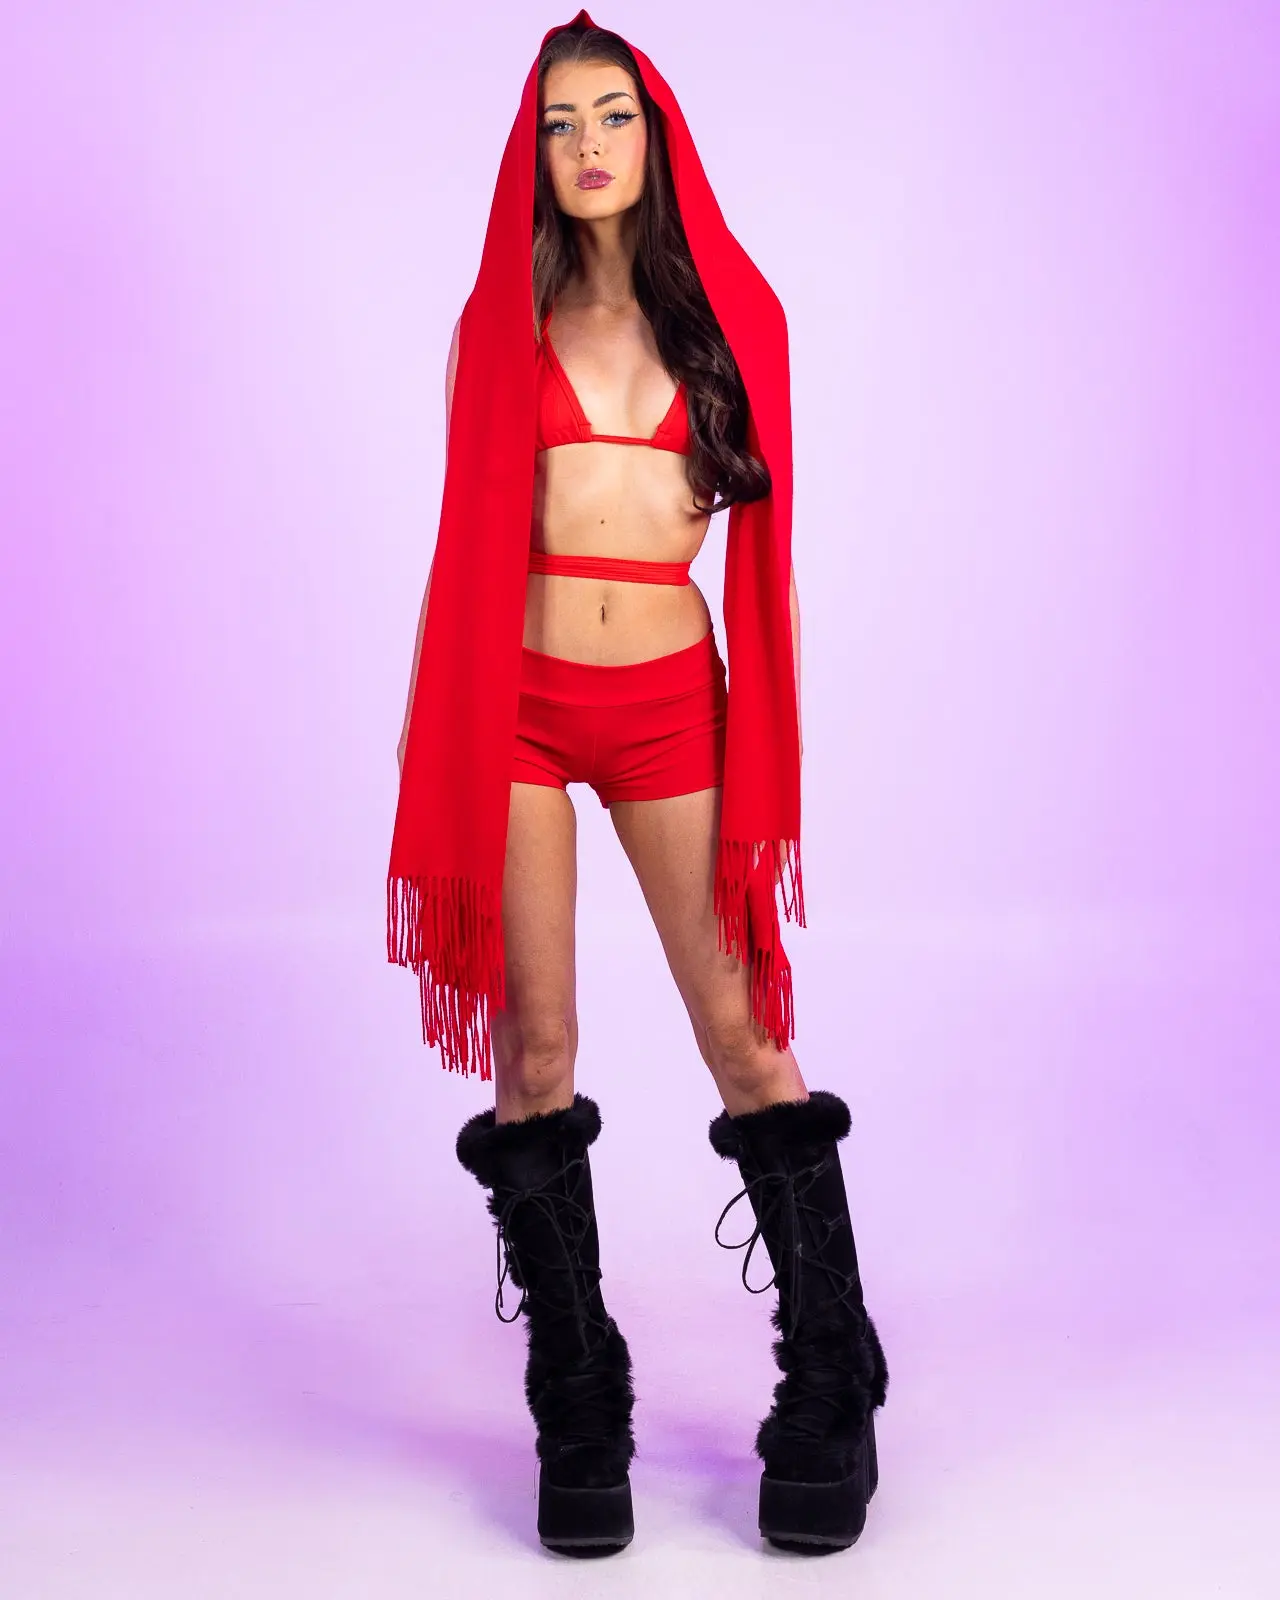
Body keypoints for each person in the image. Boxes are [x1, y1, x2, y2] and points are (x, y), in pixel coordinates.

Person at [387, 11, 888, 1558]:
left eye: (611, 116)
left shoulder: (735, 320)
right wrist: (436, 737)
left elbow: (770, 556)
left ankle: (834, 1374)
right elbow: (463, 549)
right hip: (517, 713)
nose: (587, 144)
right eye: (560, 125)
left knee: (744, 1038)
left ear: (654, 139)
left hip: (673, 711)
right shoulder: (498, 325)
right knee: (535, 1046)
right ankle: (578, 1390)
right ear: (532, 155)